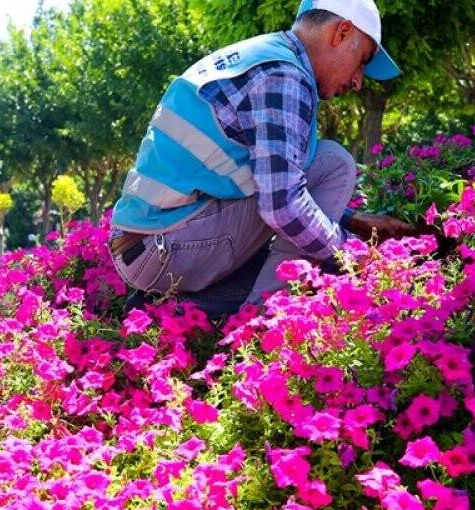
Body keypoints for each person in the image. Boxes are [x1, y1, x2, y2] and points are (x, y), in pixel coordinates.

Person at [108, 0, 413, 315]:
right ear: (342, 32)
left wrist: (350, 219)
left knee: (302, 244)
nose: (358, 81)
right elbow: (282, 205)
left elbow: (260, 179)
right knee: (332, 163)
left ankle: (180, 308)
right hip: (165, 249)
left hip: (146, 246)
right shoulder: (283, 75)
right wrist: (354, 254)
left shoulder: (262, 56)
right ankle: (263, 320)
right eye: (362, 61)